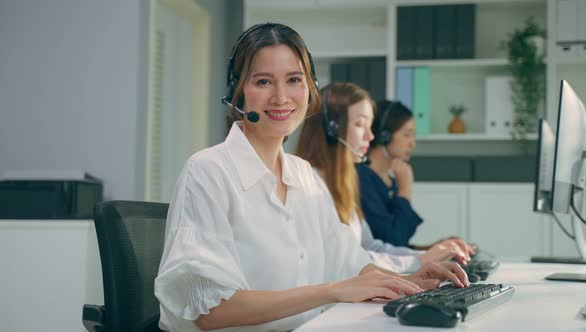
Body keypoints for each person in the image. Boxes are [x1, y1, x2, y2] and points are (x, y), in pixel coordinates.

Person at [154, 23, 469, 332]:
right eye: (263, 82)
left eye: (294, 80)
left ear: (310, 88)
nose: (281, 97)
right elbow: (210, 311)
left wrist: (413, 284)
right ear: (237, 93)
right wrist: (331, 291)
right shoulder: (208, 172)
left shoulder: (304, 176)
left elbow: (351, 263)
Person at [295, 83, 471, 274]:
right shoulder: (310, 184)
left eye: (370, 126)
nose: (371, 136)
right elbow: (349, 260)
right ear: (332, 129)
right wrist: (419, 260)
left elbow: (370, 246)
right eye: (360, 124)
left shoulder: (343, 183)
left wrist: (427, 255)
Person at [357, 100, 475, 253]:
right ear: (383, 136)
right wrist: (405, 191)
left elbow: (394, 247)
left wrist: (433, 249)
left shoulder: (389, 182)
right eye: (407, 135)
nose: (412, 144)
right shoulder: (361, 178)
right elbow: (390, 242)